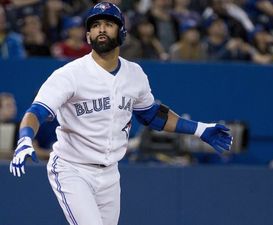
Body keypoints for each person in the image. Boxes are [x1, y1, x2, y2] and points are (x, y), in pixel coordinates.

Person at [9, 3, 232, 225]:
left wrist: (200, 129)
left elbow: (153, 115)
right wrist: (25, 138)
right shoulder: (69, 75)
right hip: (72, 168)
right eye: (95, 25)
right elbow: (36, 111)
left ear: (122, 32)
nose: (102, 29)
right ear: (88, 36)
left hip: (110, 175)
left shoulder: (134, 74)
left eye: (108, 24)